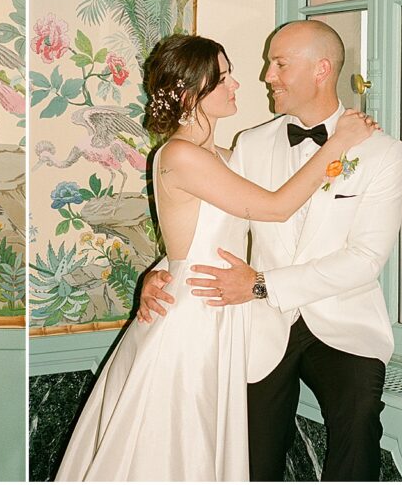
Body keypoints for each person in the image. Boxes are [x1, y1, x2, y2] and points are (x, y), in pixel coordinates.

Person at [54, 33, 377, 481]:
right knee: (173, 446)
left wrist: (159, 268)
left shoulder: (229, 154)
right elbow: (276, 206)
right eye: (222, 78)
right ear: (190, 94)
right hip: (191, 318)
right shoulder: (181, 155)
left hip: (224, 313)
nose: (238, 85)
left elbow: (194, 233)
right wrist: (337, 145)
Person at [139, 20, 402, 481]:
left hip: (342, 320)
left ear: (322, 70)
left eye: (280, 63)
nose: (267, 76)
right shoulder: (251, 143)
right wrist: (162, 273)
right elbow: (213, 222)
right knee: (251, 451)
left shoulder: (382, 152)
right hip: (256, 322)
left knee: (358, 419)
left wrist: (262, 284)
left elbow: (364, 260)